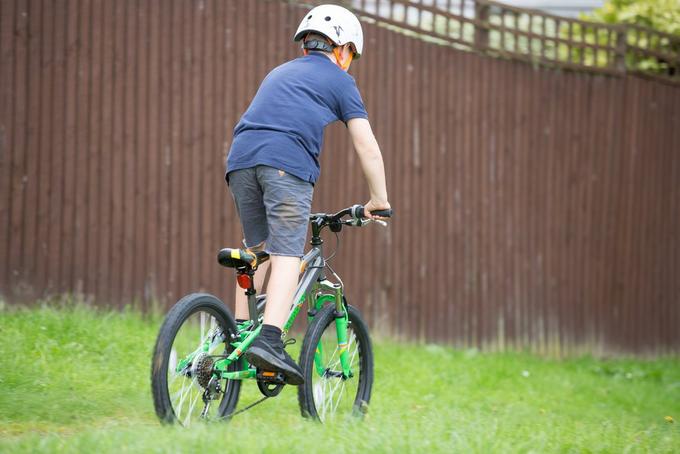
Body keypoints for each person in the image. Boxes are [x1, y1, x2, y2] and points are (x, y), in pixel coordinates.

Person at [225, 4, 390, 385]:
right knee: (287, 252)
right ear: (343, 49)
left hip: (241, 159)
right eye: (350, 55)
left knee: (257, 248)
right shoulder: (339, 80)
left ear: (306, 45)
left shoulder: (280, 71)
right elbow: (366, 144)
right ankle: (268, 340)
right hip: (285, 163)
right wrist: (378, 199)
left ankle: (235, 336)